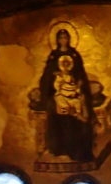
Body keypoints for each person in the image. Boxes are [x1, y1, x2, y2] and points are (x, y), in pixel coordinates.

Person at [38, 29, 94, 162]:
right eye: (61, 38)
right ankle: (59, 147)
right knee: (56, 108)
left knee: (79, 110)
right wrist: (54, 77)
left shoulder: (74, 55)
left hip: (74, 91)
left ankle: (77, 148)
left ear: (69, 39)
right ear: (57, 40)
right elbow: (47, 76)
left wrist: (79, 84)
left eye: (65, 37)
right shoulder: (54, 55)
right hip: (59, 93)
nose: (63, 40)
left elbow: (81, 73)